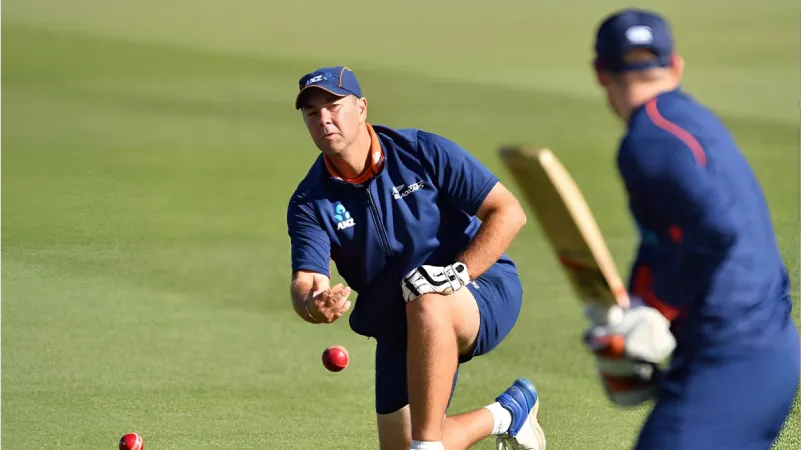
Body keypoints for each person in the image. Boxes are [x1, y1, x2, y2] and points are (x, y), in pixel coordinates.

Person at [286, 65, 547, 450]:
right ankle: (508, 413)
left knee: (426, 295)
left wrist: (458, 274)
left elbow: (508, 212)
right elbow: (307, 281)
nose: (324, 118)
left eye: (334, 105)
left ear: (361, 108)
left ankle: (427, 445)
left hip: (481, 289)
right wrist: (313, 304)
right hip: (398, 325)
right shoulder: (310, 201)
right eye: (312, 113)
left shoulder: (422, 150)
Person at [583, 8, 800, 450]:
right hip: (766, 353)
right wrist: (634, 306)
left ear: (601, 73)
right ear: (676, 66)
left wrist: (657, 308)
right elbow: (673, 238)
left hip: (729, 359)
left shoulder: (647, 140)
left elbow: (717, 230)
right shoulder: (692, 120)